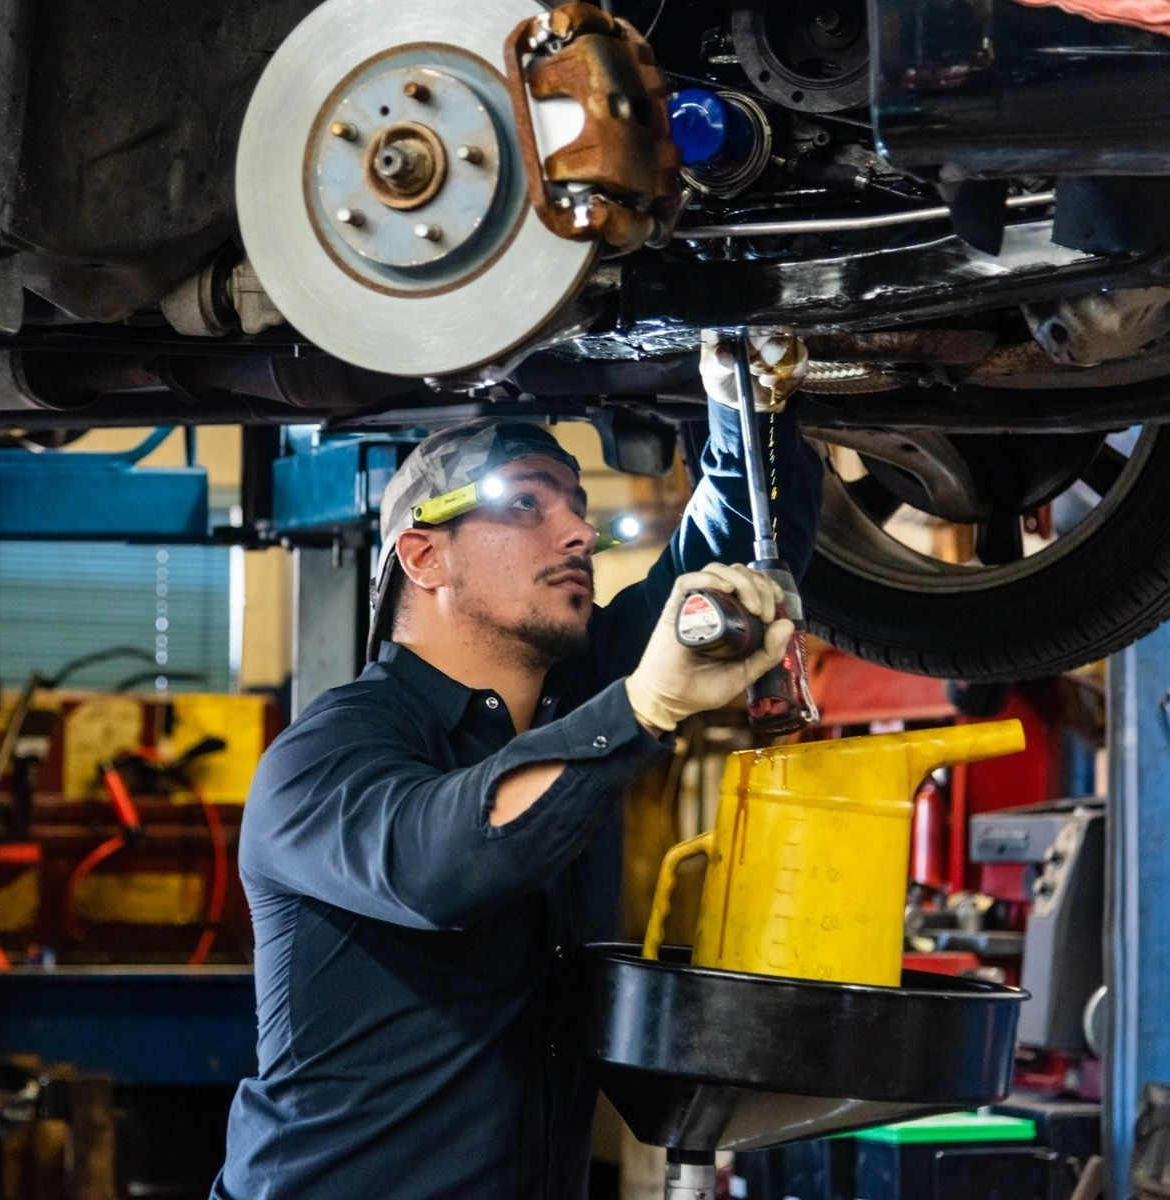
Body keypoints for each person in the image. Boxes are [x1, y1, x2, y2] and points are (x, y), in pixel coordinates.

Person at [212, 335, 824, 1200]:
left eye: (578, 507)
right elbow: (443, 867)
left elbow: (737, 545)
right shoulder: (327, 755)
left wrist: (747, 399)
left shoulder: (571, 701)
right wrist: (640, 707)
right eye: (526, 503)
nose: (580, 532)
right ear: (424, 556)